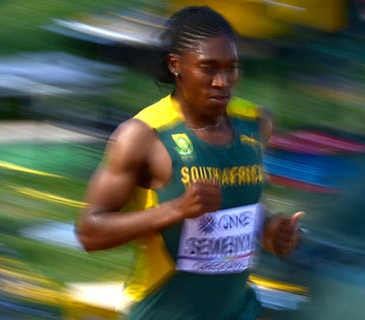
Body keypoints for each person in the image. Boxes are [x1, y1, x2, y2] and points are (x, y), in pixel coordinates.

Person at [75, 6, 303, 320]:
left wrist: (269, 229)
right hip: (163, 311)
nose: (223, 82)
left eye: (231, 68)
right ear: (176, 65)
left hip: (240, 311)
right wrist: (175, 210)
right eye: (209, 68)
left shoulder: (256, 123)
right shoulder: (143, 136)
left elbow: (240, 208)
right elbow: (89, 233)